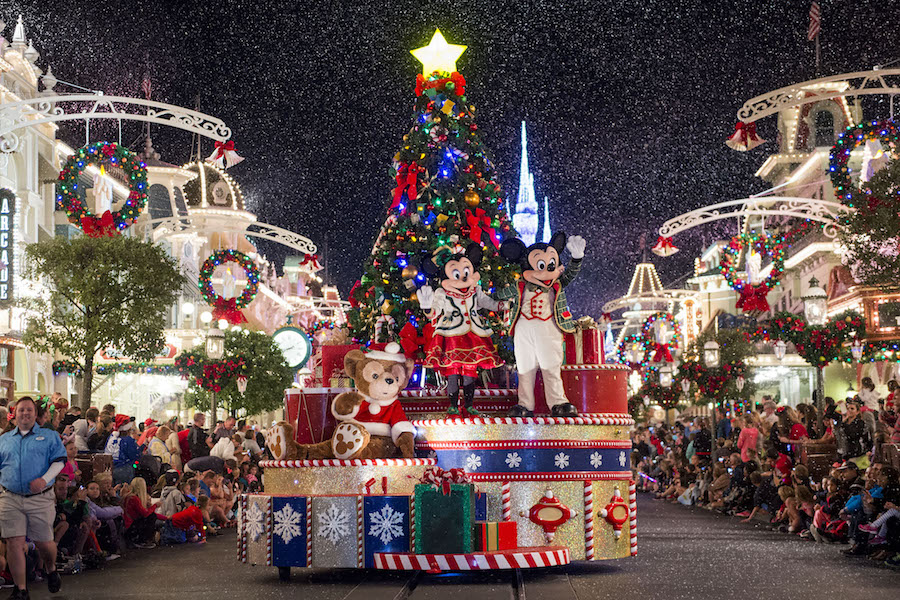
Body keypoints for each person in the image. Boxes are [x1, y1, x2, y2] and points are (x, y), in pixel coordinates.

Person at [0, 396, 66, 596]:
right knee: (14, 542)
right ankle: (21, 589)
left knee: (44, 543)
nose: (25, 413)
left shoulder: (48, 436)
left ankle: (51, 567)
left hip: (40, 498)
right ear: (15, 414)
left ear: (35, 414)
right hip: (10, 497)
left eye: (29, 410)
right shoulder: (4, 440)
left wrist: (44, 480)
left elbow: (60, 461)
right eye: (21, 410)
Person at [120, 478, 166, 549]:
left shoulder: (129, 497)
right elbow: (146, 514)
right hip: (131, 527)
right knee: (151, 517)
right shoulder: (134, 498)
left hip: (129, 526)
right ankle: (142, 540)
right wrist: (155, 506)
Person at [106, 417, 143, 485]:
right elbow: (135, 455)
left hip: (109, 469)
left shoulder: (111, 437)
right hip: (124, 469)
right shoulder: (128, 440)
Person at [841, 398, 872, 469]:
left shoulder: (860, 423)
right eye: (848, 408)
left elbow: (852, 435)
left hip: (857, 454)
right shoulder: (843, 423)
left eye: (852, 409)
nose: (849, 410)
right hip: (845, 454)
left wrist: (868, 450)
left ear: (857, 412)